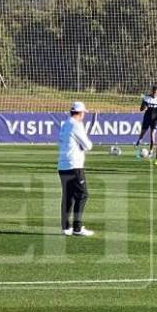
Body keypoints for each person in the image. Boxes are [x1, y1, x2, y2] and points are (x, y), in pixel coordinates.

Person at [57, 100, 94, 236]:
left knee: (68, 196)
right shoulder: (76, 125)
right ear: (80, 112)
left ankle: (65, 227)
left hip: (62, 165)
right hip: (74, 165)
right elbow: (88, 145)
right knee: (82, 195)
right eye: (83, 112)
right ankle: (77, 228)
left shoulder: (65, 124)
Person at [135, 86, 157, 157]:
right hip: (147, 118)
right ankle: (139, 141)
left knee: (152, 135)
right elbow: (141, 109)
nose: (154, 93)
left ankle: (151, 151)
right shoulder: (146, 98)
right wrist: (144, 107)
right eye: (153, 92)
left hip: (155, 120)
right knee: (143, 133)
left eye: (156, 92)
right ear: (151, 91)